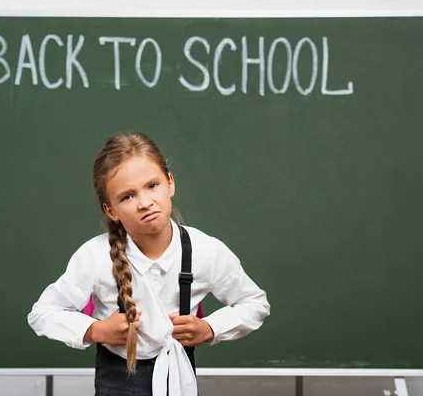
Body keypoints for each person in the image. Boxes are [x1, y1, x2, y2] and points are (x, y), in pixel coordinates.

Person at [28, 132, 270, 396]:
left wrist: (211, 328)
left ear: (170, 184)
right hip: (117, 383)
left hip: (177, 377)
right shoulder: (95, 256)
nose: (145, 203)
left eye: (152, 186)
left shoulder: (206, 251)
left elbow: (255, 304)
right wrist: (97, 330)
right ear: (111, 211)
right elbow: (42, 314)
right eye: (127, 197)